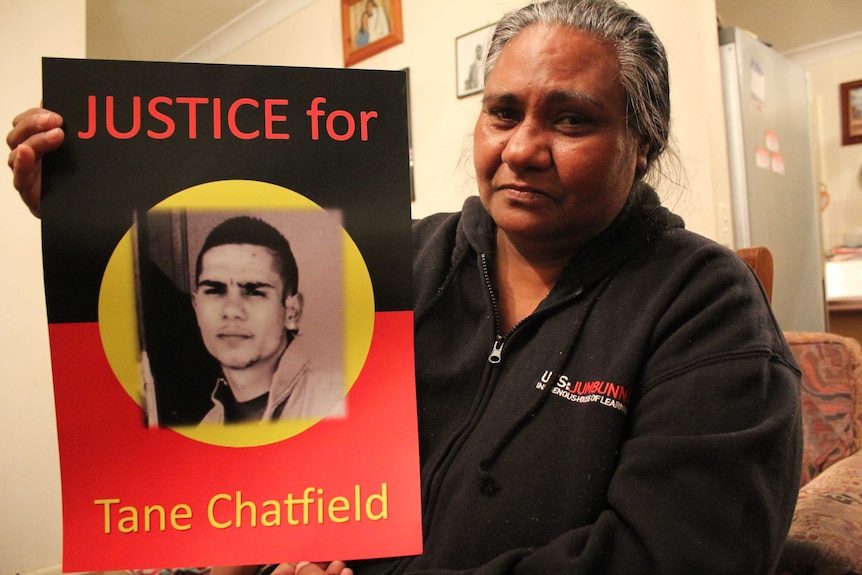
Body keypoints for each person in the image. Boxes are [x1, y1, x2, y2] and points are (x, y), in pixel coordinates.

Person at [7, 0, 802, 572]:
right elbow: (256, 427)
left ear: (643, 142)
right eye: (503, 111)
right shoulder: (402, 259)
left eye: (570, 120)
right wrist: (94, 213)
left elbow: (678, 554)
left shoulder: (706, 306)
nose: (522, 147)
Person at [177, 215, 343, 425]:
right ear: (197, 308)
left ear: (292, 312)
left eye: (254, 292)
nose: (231, 310)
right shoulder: (205, 429)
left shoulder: (336, 403)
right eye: (214, 290)